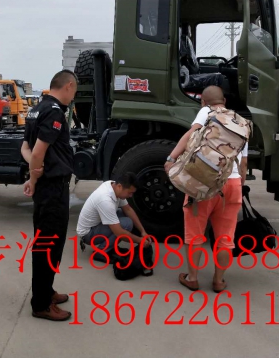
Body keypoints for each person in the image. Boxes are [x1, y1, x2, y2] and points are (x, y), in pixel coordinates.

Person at [164, 85, 248, 293]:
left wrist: (171, 158)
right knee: (225, 238)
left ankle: (192, 278)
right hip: (232, 183)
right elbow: (244, 164)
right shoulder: (241, 123)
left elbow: (189, 135)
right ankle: (218, 281)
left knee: (195, 234)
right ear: (224, 101)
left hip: (203, 181)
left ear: (203, 102)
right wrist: (239, 185)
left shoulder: (207, 112)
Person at [21, 69, 78, 322]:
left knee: (50, 243)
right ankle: (41, 304)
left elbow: (26, 148)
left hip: (49, 186)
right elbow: (37, 153)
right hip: (52, 188)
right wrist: (34, 178)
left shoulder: (36, 109)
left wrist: (34, 170)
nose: (73, 97)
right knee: (48, 245)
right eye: (74, 91)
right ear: (68, 86)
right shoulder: (54, 112)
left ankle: (47, 290)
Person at [76, 172, 151, 263]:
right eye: (130, 192)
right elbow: (119, 233)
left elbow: (128, 210)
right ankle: (101, 252)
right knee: (126, 223)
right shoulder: (105, 200)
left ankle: (111, 247)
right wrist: (140, 241)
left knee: (124, 214)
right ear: (119, 186)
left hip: (96, 225)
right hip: (88, 234)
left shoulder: (112, 185)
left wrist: (143, 231)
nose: (130, 196)